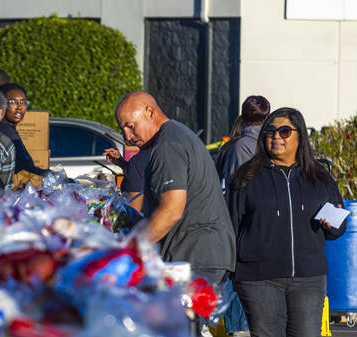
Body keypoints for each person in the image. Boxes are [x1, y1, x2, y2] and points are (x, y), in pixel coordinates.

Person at [226, 107, 345, 337]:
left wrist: (332, 224)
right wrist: (232, 271)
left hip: (308, 275)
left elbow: (339, 224)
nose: (275, 137)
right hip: (257, 275)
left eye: (284, 131)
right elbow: (231, 226)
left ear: (299, 136)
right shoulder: (247, 177)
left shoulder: (318, 177)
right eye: (270, 131)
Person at [115, 91, 235, 289]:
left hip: (195, 257)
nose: (127, 136)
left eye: (130, 126)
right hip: (202, 254)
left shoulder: (167, 145)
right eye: (122, 129)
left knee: (182, 319)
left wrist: (128, 249)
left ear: (150, 112)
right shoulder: (177, 133)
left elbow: (171, 211)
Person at [219, 95, 271, 187]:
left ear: (243, 117)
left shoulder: (241, 147)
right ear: (267, 117)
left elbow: (236, 187)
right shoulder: (275, 142)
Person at [0, 83, 46, 175]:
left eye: (23, 102)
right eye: (13, 102)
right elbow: (26, 168)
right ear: (1, 104)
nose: (19, 107)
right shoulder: (6, 131)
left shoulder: (9, 129)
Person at [104, 144, 151, 210]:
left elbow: (133, 212)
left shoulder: (140, 158)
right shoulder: (143, 155)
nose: (127, 136)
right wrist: (120, 162)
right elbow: (137, 171)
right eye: (123, 133)